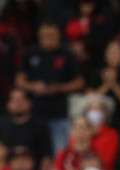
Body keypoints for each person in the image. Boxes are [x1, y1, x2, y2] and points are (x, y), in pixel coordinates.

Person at [16, 21, 84, 153]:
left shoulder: (67, 54)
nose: (48, 39)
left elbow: (79, 82)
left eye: (51, 36)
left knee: (60, 152)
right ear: (39, 36)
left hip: (59, 113)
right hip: (34, 113)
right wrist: (33, 86)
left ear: (58, 36)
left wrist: (58, 88)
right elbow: (19, 80)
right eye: (44, 36)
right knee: (33, 152)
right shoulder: (30, 53)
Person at [0, 88, 52, 169]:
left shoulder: (40, 126)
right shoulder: (2, 125)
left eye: (21, 100)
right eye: (14, 100)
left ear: (29, 103)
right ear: (8, 104)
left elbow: (47, 156)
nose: (17, 104)